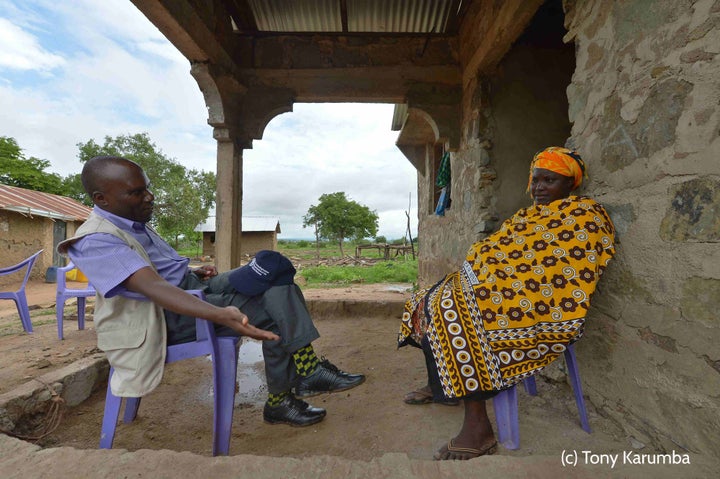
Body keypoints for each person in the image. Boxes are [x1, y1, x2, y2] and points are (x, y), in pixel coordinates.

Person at [58, 156, 365, 428]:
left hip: (193, 286)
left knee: (277, 273)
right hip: (163, 316)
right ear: (102, 198)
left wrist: (192, 272)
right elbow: (152, 286)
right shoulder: (95, 239)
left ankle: (307, 371)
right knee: (272, 310)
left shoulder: (133, 221)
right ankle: (285, 395)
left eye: (146, 188)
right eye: (136, 192)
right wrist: (220, 313)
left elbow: (157, 269)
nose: (149, 197)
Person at [398, 147, 616, 460]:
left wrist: (502, 284)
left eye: (549, 180)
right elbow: (494, 251)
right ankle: (441, 385)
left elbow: (562, 275)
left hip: (539, 307)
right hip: (496, 290)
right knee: (426, 299)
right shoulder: (527, 216)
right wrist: (489, 275)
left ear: (571, 183)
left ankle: (479, 428)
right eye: (536, 180)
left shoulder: (585, 216)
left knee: (457, 316)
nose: (538, 187)